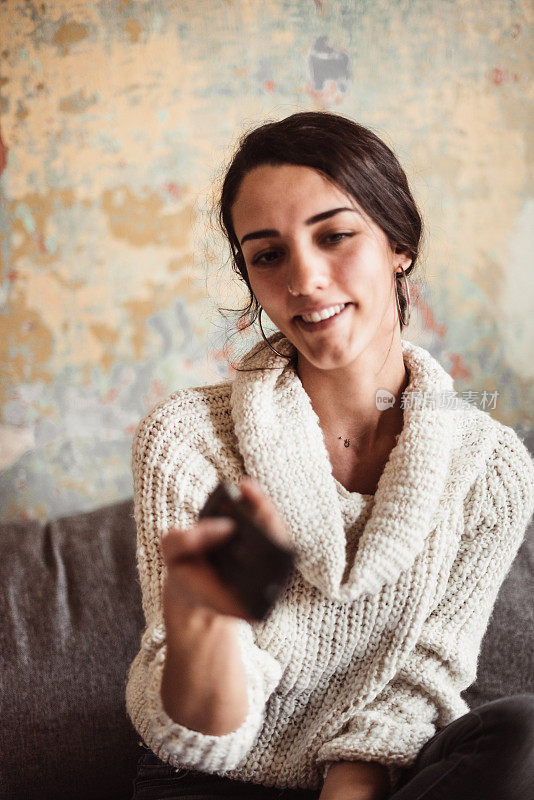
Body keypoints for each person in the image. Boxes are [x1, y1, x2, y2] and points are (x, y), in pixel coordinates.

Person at [126, 111, 534, 800]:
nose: (306, 278)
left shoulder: (491, 465)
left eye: (336, 236)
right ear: (250, 277)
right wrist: (204, 624)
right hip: (213, 774)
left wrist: (352, 781)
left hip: (379, 779)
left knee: (524, 731)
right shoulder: (185, 436)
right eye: (268, 254)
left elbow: (425, 675)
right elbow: (197, 736)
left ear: (397, 244)